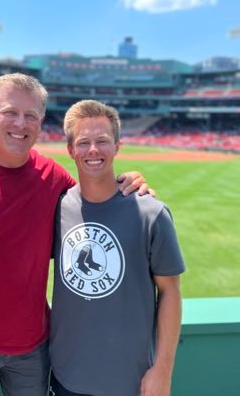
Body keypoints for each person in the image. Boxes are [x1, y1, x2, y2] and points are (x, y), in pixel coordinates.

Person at [0, 73, 152, 396]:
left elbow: (96, 205)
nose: (20, 124)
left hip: (33, 348)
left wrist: (127, 181)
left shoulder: (54, 177)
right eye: (10, 112)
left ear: (40, 122)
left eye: (30, 116)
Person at [49, 100, 185, 396]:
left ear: (117, 146)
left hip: (131, 382)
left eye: (102, 141)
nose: (93, 150)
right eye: (83, 142)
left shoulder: (152, 213)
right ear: (71, 150)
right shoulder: (57, 208)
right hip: (64, 377)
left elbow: (170, 291)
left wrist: (162, 370)